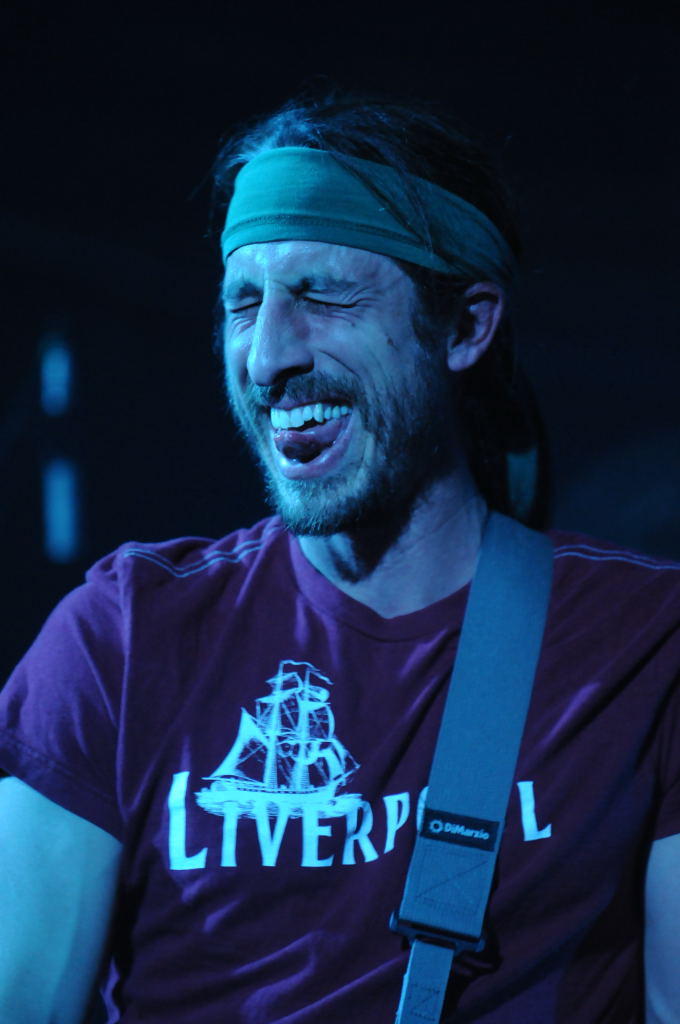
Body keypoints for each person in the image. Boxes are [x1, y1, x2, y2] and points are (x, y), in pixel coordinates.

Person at [0, 89, 679, 1024]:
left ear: (465, 327)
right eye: (244, 303)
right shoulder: (124, 635)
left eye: (323, 295)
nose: (267, 356)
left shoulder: (644, 643)